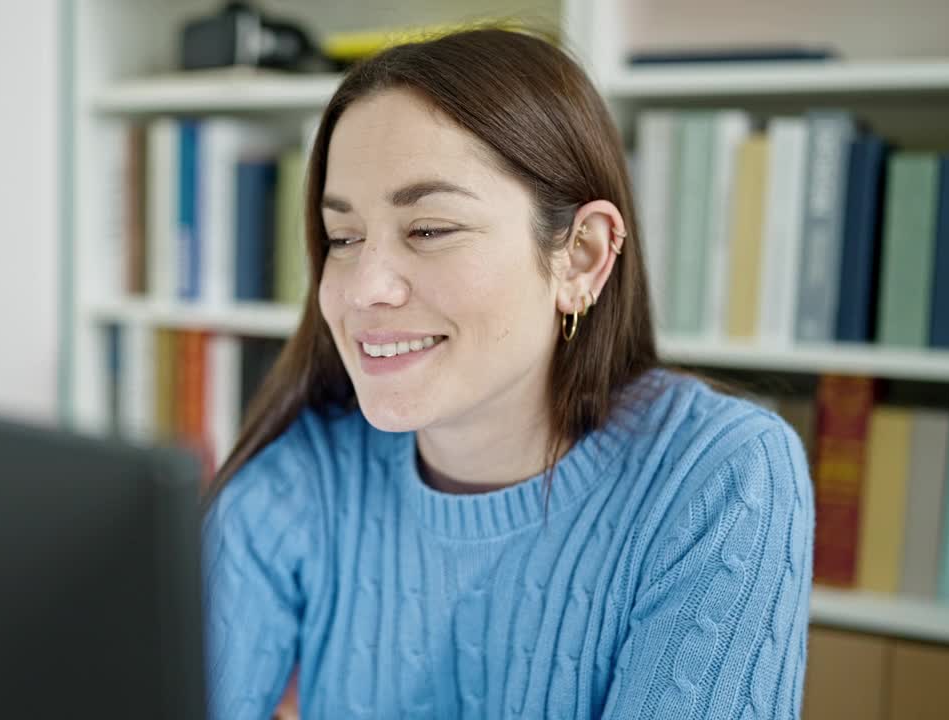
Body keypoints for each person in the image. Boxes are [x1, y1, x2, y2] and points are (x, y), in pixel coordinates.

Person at [201, 27, 813, 720]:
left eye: (429, 229)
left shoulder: (719, 476)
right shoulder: (299, 477)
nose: (364, 287)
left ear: (581, 256)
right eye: (344, 238)